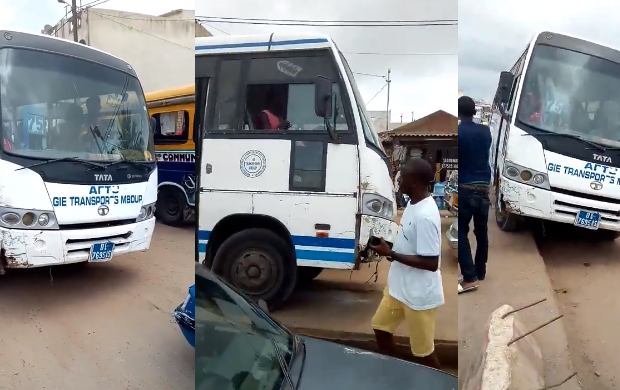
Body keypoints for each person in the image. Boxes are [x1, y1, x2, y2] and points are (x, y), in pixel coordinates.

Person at [369, 157, 444, 369]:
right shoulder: (413, 203)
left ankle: (439, 383)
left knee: (423, 354)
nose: (398, 179)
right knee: (381, 328)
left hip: (418, 297)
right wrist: (391, 251)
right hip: (398, 289)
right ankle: (396, 373)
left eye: (402, 176)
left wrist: (392, 252)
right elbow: (412, 244)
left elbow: (431, 262)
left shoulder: (426, 216)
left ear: (414, 181)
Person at [458, 96, 492, 294]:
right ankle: (480, 270)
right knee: (481, 231)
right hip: (483, 188)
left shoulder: (460, 133)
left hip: (466, 187)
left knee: (461, 231)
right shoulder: (485, 131)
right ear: (474, 111)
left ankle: (469, 278)